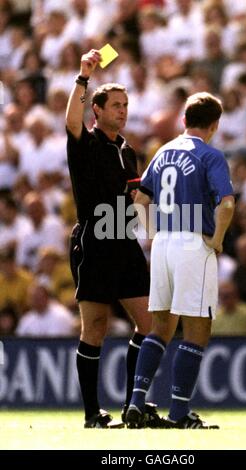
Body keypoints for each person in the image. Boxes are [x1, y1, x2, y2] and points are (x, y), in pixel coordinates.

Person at [126, 91, 235, 429]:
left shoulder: (162, 152)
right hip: (193, 245)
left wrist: (152, 234)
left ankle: (136, 401)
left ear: (184, 120)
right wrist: (216, 241)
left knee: (160, 327)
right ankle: (178, 412)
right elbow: (227, 204)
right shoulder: (211, 156)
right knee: (197, 329)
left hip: (162, 244)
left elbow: (138, 199)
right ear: (214, 125)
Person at [65, 49, 158, 429]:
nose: (122, 110)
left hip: (123, 238)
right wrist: (83, 77)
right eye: (116, 105)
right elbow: (70, 120)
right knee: (96, 326)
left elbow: (134, 198)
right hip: (95, 239)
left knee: (148, 323)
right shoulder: (86, 142)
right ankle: (92, 414)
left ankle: (132, 405)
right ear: (97, 111)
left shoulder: (127, 149)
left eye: (126, 105)